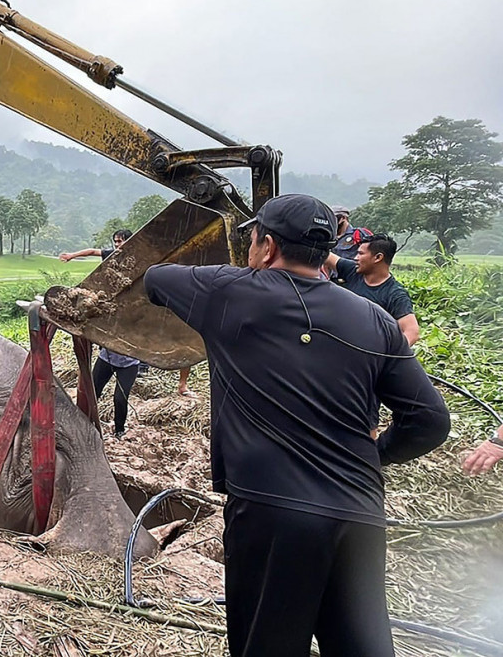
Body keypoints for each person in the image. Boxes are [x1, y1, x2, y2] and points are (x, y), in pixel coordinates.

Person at [144, 193, 450, 657]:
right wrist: (375, 453)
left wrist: (231, 275)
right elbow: (430, 421)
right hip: (360, 516)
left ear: (267, 247)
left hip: (273, 516)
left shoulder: (229, 292)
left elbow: (154, 278)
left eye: (251, 240)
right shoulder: (373, 318)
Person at [60, 229, 196, 400]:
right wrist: (72, 255)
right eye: (116, 241)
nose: (118, 245)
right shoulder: (113, 256)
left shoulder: (143, 258)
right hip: (120, 307)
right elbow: (93, 251)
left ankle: (178, 383)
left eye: (121, 241)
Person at [323, 233, 420, 345]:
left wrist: (389, 357)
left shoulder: (395, 294)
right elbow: (327, 256)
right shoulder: (353, 271)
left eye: (360, 254)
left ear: (378, 257)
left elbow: (412, 332)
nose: (356, 258)